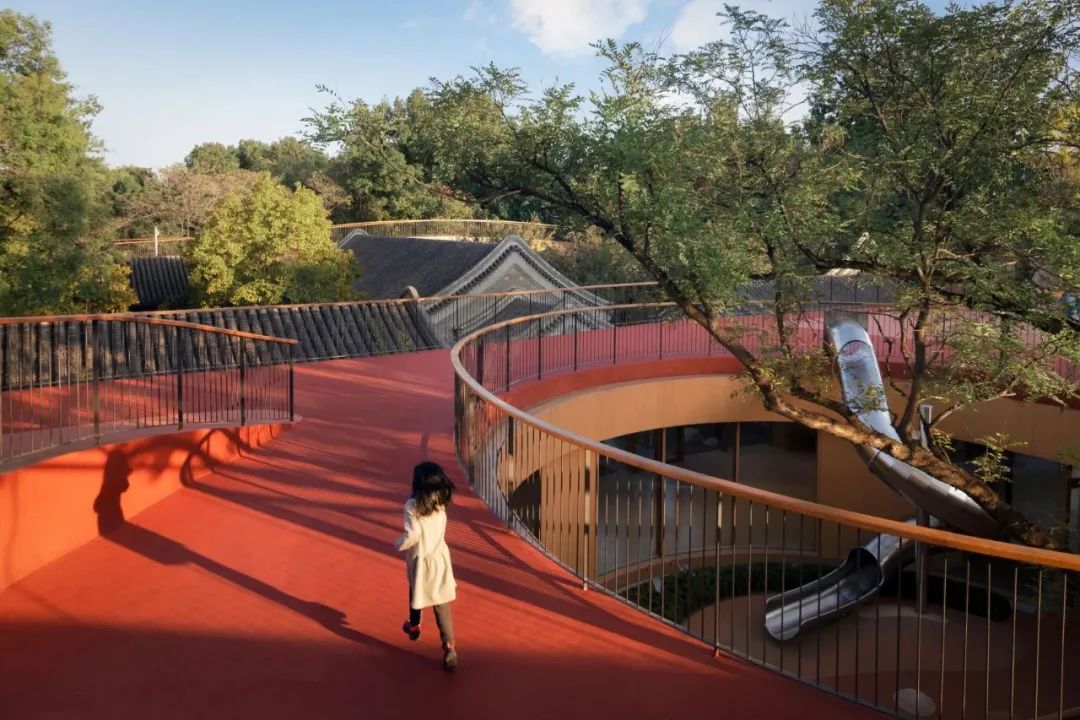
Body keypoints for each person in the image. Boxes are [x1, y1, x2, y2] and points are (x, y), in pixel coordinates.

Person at [395, 461, 458, 670]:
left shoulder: (412, 507)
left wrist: (399, 543)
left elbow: (412, 535)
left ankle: (414, 626)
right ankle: (449, 646)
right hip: (439, 559)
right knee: (442, 603)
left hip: (420, 560)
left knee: (416, 592)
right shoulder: (440, 503)